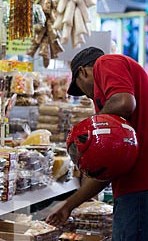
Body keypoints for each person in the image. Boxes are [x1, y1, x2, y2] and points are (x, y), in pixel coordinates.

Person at [46, 46, 148, 240]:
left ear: (83, 71)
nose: (89, 97)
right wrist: (68, 206)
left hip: (139, 191)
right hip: (133, 190)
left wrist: (91, 127)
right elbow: (105, 172)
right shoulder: (117, 117)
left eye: (82, 91)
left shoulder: (106, 62)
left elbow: (125, 102)